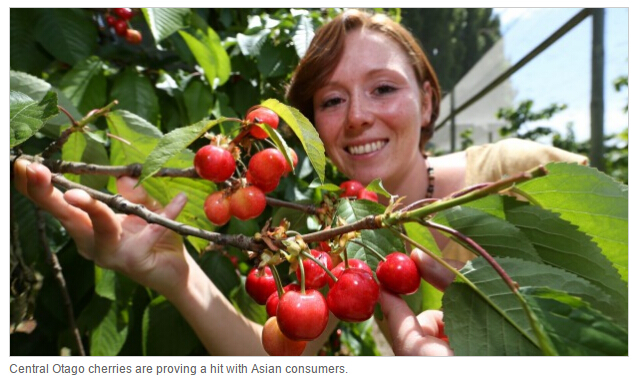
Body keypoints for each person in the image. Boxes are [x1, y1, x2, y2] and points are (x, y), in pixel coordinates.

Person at [12, 9, 587, 356]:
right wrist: (176, 273)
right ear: (312, 128)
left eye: (383, 88)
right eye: (332, 100)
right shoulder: (335, 242)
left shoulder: (515, 170)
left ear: (427, 98)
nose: (357, 115)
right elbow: (283, 362)